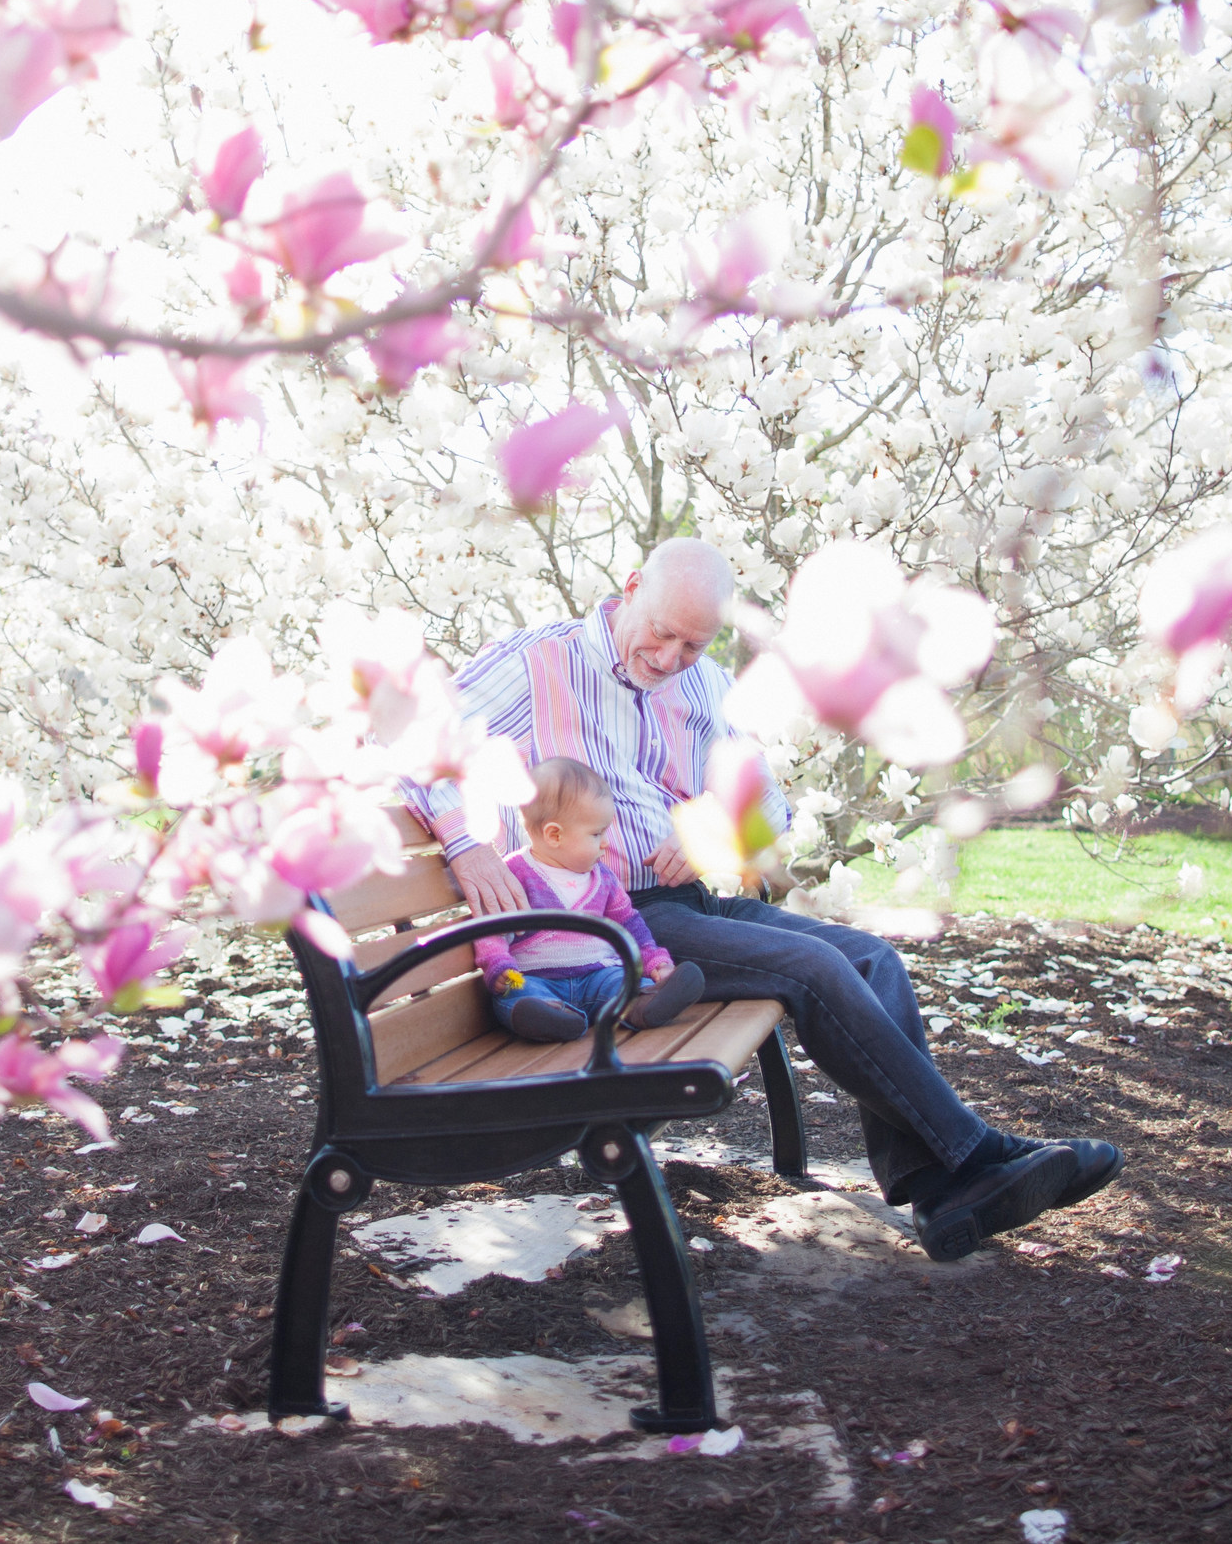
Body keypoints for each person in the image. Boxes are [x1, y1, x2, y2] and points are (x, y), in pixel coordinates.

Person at [406, 536, 1122, 1263]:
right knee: (813, 969)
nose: (669, 657)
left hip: (691, 901)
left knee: (874, 960)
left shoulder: (707, 685)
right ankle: (976, 1156)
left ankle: (938, 1189)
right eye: (661, 631)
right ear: (630, 588)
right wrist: (463, 841)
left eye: (694, 642)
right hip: (612, 923)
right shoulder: (539, 663)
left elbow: (769, 805)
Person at [474, 756, 708, 1041]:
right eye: (597, 833)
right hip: (537, 977)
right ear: (554, 835)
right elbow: (492, 927)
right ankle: (549, 1016)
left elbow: (629, 925)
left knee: (624, 983)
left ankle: (643, 1003)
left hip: (599, 974)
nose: (606, 842)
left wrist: (654, 961)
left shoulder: (603, 878)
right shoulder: (515, 875)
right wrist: (498, 964)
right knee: (517, 993)